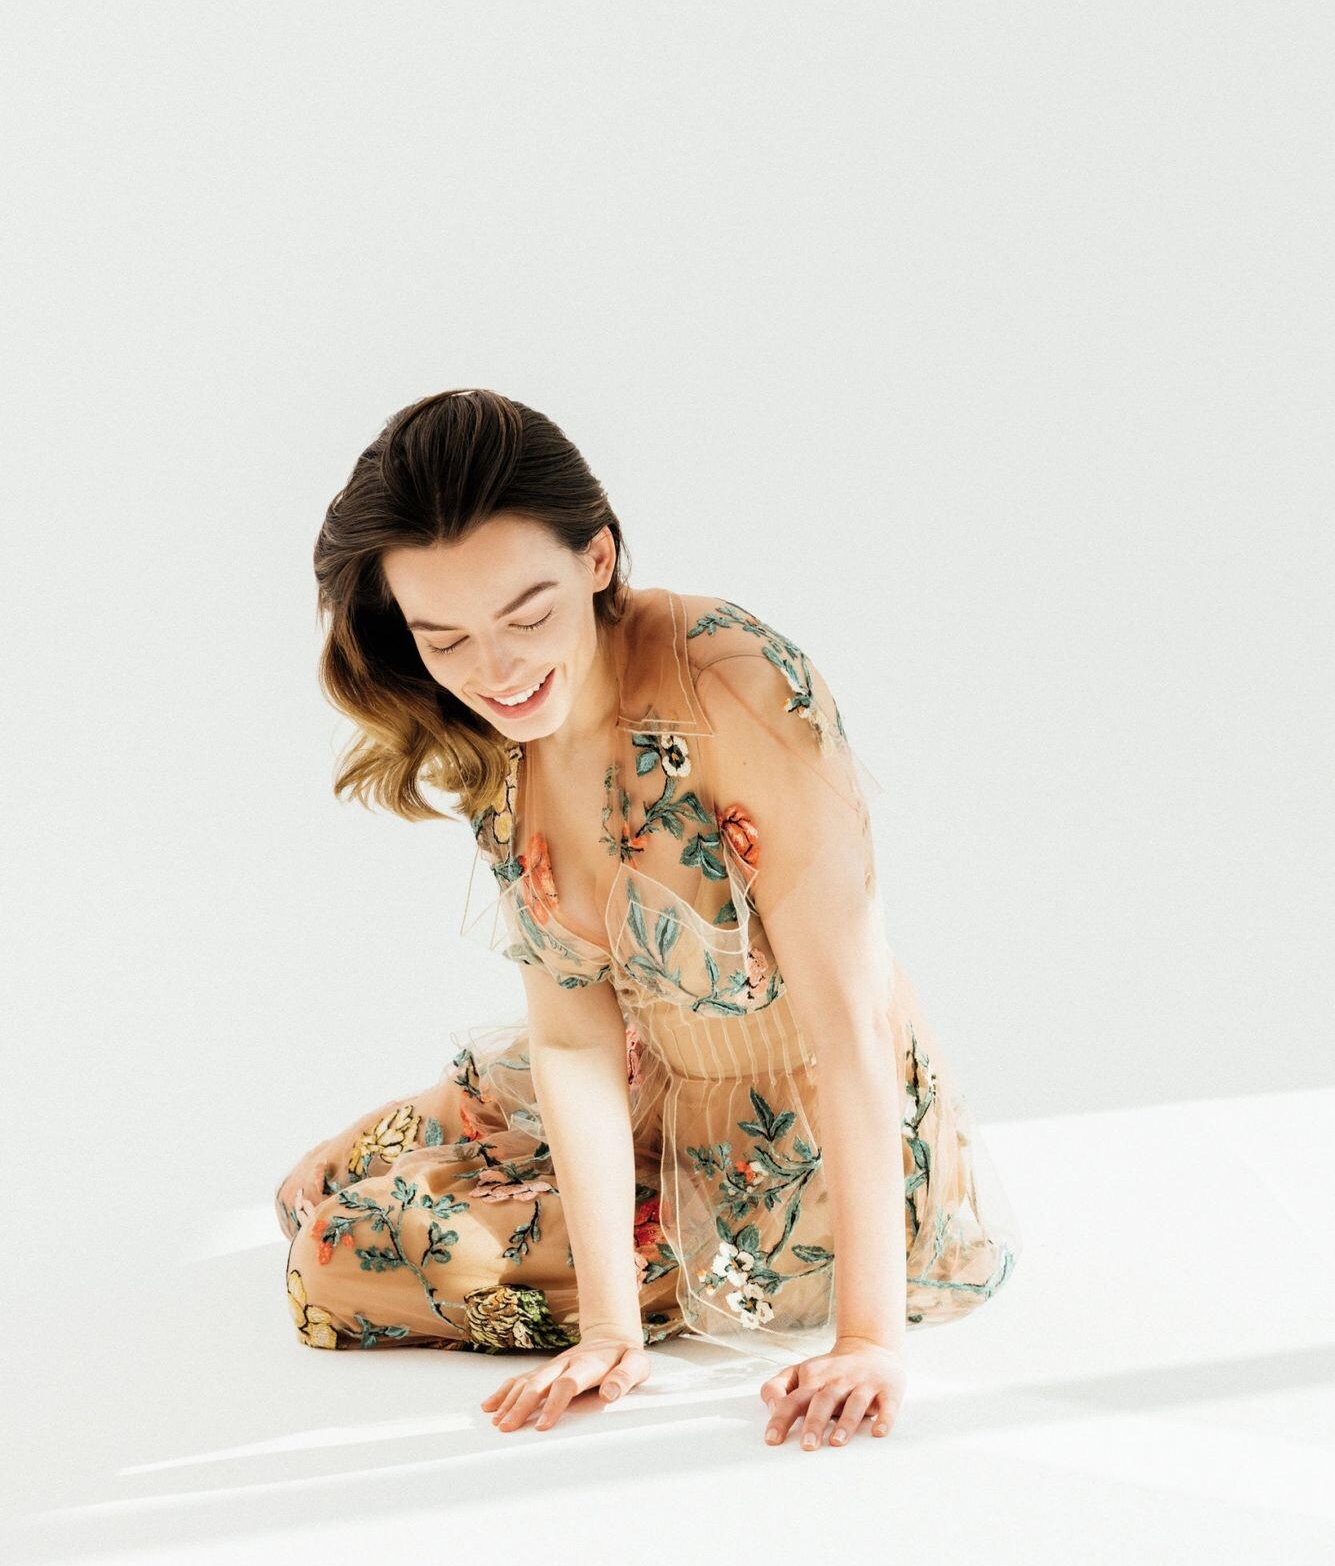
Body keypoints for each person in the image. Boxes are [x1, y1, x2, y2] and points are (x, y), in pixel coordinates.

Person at [275, 387, 1024, 1452]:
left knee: (333, 1255)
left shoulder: (731, 682)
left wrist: (869, 1337)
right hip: (647, 1073)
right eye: (444, 637)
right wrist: (611, 1328)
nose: (496, 672)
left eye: (527, 616)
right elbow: (574, 1039)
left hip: (795, 1148)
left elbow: (853, 1023)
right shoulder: (496, 730)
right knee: (319, 1180)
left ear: (598, 557)